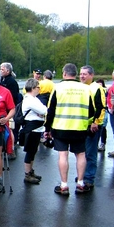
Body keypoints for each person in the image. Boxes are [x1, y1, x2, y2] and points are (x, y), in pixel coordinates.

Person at [44, 63, 95, 195]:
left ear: (64, 73)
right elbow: (92, 111)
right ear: (76, 74)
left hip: (61, 127)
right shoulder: (85, 89)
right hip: (80, 127)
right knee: (81, 155)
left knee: (63, 155)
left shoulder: (58, 87)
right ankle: (80, 183)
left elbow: (50, 110)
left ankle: (64, 185)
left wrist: (47, 128)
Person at [79, 65, 106, 191]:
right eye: (81, 74)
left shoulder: (97, 88)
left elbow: (101, 107)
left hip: (92, 125)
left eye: (85, 74)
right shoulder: (81, 87)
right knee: (82, 152)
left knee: (90, 152)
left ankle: (89, 178)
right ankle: (83, 175)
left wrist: (96, 122)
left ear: (91, 75)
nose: (82, 76)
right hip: (82, 125)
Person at [20, 78, 47, 184]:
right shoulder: (30, 100)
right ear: (32, 88)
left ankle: (30, 171)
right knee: (30, 151)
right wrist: (42, 112)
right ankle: (27, 174)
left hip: (36, 128)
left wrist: (42, 112)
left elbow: (43, 110)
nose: (39, 89)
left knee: (33, 151)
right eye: (38, 87)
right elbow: (44, 110)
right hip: (32, 128)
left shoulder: (33, 99)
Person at [96, 78, 108, 151]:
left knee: (103, 127)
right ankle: (96, 144)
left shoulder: (106, 91)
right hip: (97, 111)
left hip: (104, 111)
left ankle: (103, 143)